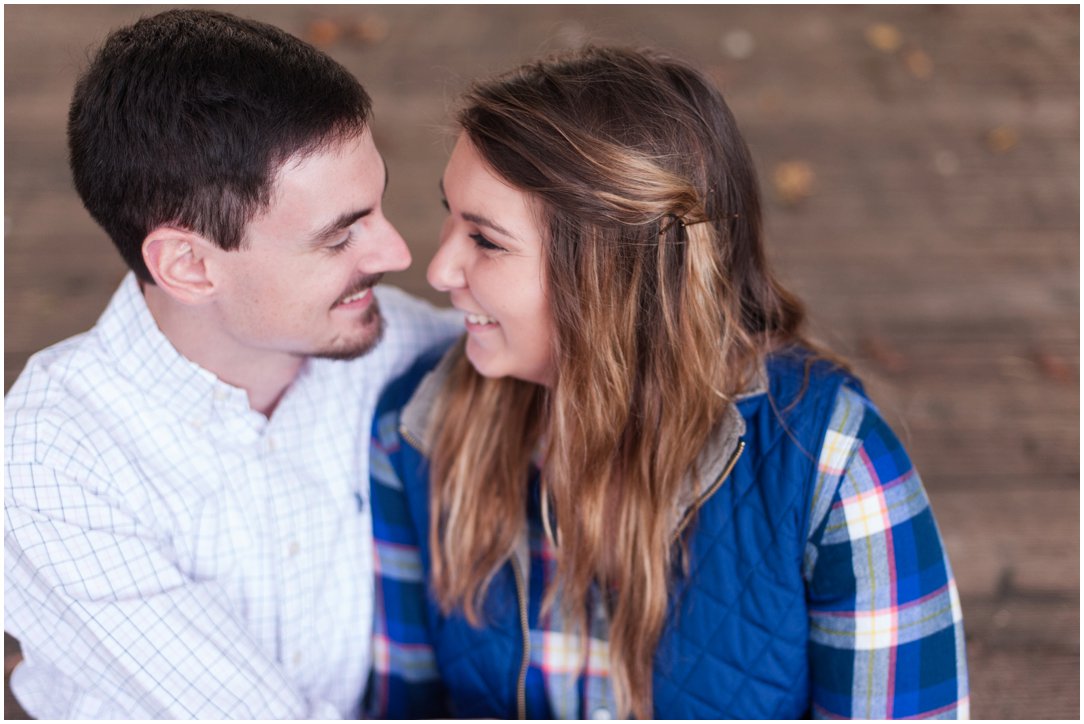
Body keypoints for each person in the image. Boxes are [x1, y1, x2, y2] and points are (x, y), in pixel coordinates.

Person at [367, 46, 969, 719]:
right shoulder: (415, 430)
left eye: (485, 240)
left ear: (611, 275)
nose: (439, 269)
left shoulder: (830, 464)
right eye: (449, 213)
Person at [4, 9, 461, 719]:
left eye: (375, 209)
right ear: (188, 266)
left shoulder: (382, 339)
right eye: (340, 236)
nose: (398, 254)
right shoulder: (51, 457)